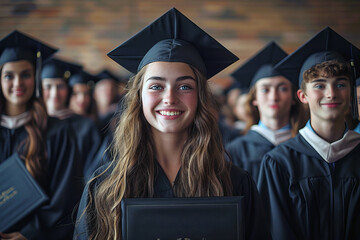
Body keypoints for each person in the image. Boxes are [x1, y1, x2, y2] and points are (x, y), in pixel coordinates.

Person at [74, 8, 269, 240]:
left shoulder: (236, 184)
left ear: (200, 98)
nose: (169, 97)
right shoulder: (104, 187)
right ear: (139, 97)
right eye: (156, 86)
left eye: (184, 86)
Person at [257, 27, 360, 240]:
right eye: (319, 85)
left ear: (351, 93)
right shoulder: (279, 163)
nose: (331, 94)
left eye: (340, 84)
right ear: (302, 96)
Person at [0, 30, 83, 239]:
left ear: (35, 78)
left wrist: (30, 233)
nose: (18, 83)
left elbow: (66, 197)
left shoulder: (57, 132)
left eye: (26, 74)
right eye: (9, 75)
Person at [226, 41, 305, 183]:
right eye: (265, 90)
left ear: (294, 97)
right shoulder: (235, 150)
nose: (274, 97)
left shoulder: (305, 147)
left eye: (283, 88)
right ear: (254, 98)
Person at [41, 57, 102, 181]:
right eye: (48, 86)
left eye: (60, 86)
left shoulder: (85, 126)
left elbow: (93, 168)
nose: (54, 93)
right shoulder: (33, 123)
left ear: (68, 90)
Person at [93, 69, 123, 139]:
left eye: (112, 88)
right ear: (95, 93)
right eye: (104, 88)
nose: (109, 91)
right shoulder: (87, 117)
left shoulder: (120, 115)